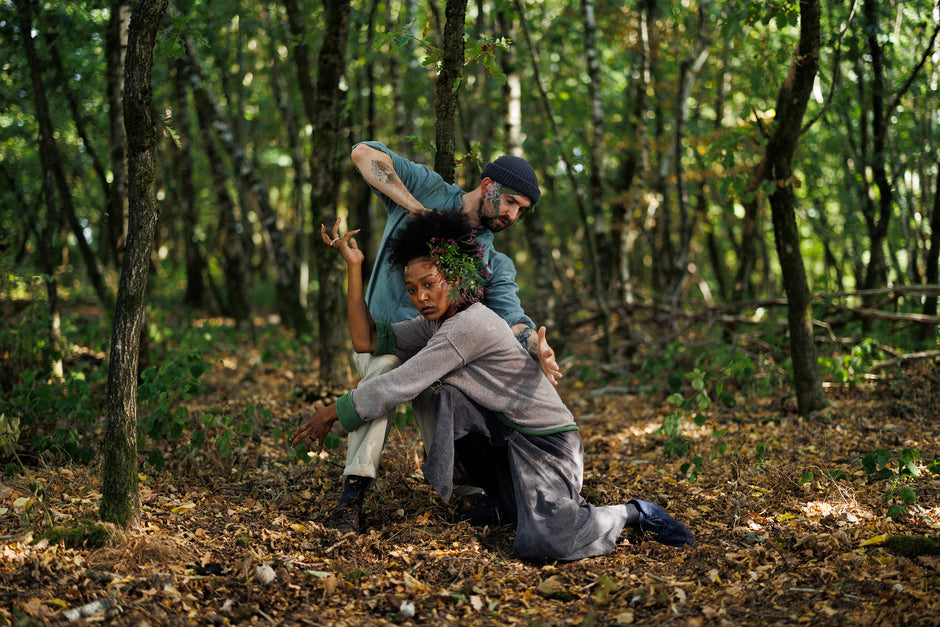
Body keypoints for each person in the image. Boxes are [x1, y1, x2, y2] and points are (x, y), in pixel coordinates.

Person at [292, 212, 695, 562]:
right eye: (412, 288)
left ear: (453, 274)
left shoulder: (469, 324)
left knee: (544, 543)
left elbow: (400, 383)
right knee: (447, 394)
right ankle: (502, 501)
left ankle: (633, 513)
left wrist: (331, 413)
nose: (421, 297)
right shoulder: (436, 322)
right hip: (507, 442)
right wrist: (354, 268)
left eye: (429, 283)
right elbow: (366, 341)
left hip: (547, 446)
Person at [326, 141, 561, 533]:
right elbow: (362, 154)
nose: (512, 215)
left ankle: (471, 494)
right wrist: (419, 212)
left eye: (521, 210)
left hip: (437, 351)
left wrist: (537, 346)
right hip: (384, 338)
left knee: (453, 383)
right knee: (385, 370)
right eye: (509, 201)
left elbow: (512, 319)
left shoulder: (490, 259)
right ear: (487, 185)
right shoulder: (430, 189)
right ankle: (353, 494)